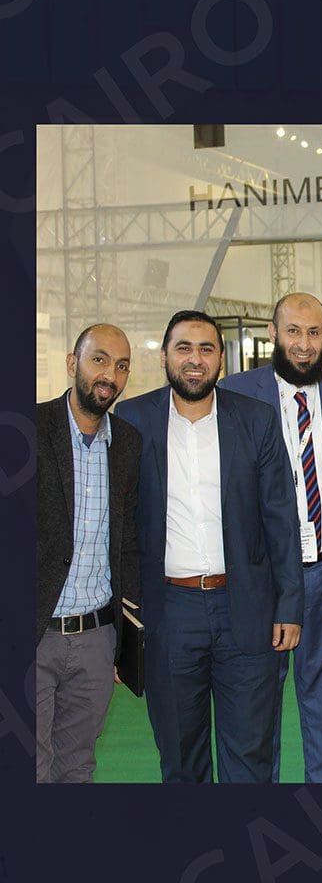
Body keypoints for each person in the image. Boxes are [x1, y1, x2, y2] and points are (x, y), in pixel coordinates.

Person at [116, 310, 303, 783]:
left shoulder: (256, 420)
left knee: (250, 758)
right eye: (184, 348)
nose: (195, 359)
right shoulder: (133, 420)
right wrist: (122, 622)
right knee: (181, 759)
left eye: (206, 349)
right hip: (169, 613)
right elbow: (120, 528)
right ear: (164, 356)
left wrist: (289, 605)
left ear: (222, 358)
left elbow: (281, 518)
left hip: (247, 610)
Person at [221, 292, 322, 783]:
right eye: (293, 331)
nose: (304, 344)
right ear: (272, 333)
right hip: (262, 581)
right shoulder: (235, 394)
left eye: (314, 333)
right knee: (257, 713)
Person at [36, 324, 141, 783]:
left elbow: (129, 544)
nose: (110, 375)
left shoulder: (128, 444)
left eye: (121, 366)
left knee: (77, 768)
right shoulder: (32, 429)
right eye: (99, 359)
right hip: (35, 633)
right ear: (71, 363)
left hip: (97, 639)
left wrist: (125, 639)